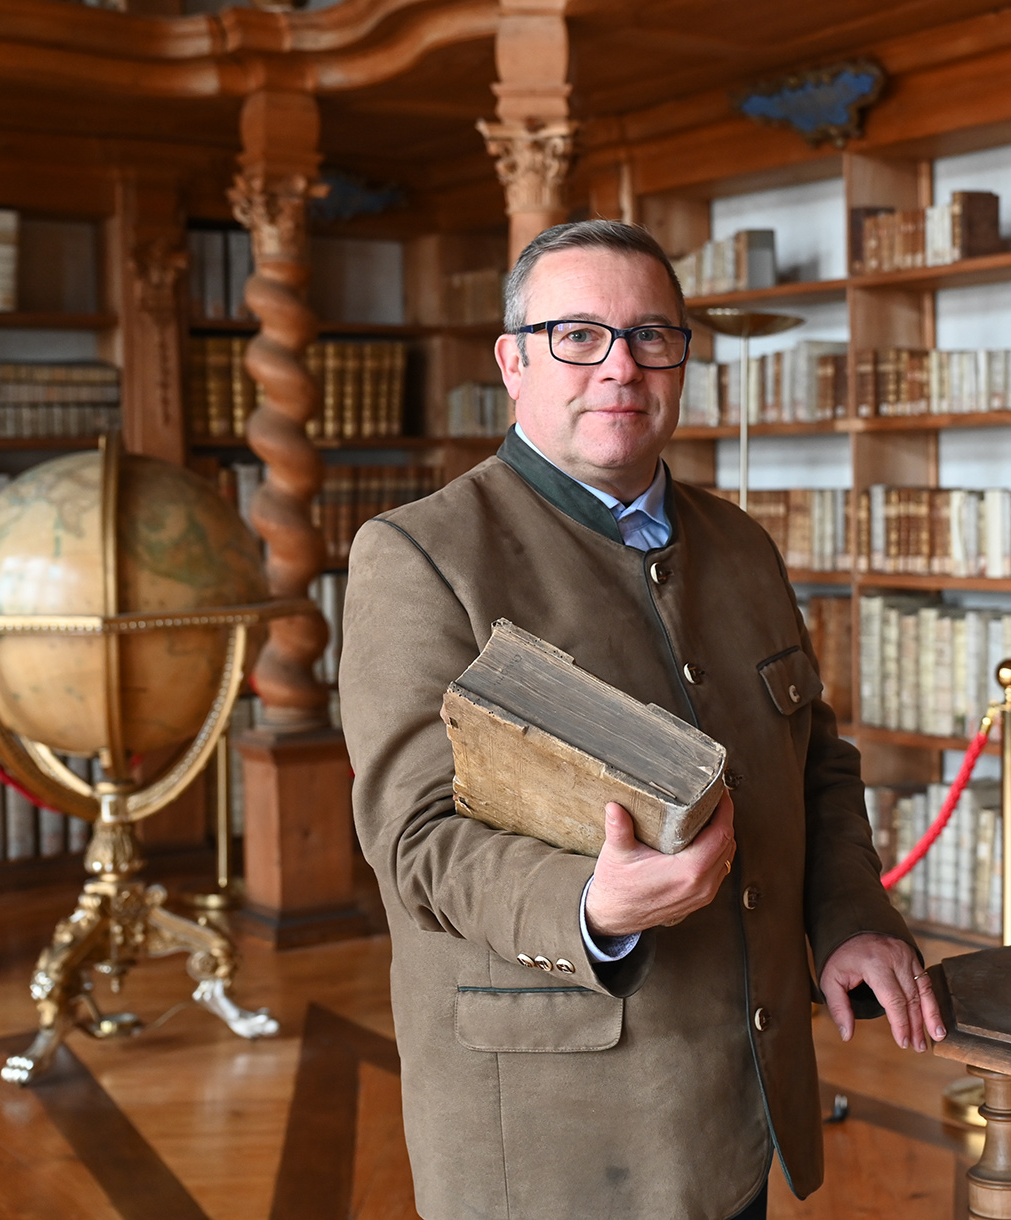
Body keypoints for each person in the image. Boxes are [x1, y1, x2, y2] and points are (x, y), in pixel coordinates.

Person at [341, 219, 944, 1220]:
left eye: (650, 336)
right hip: (551, 1129)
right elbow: (414, 841)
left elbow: (815, 763)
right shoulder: (420, 554)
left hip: (734, 1102)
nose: (619, 366)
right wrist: (590, 904)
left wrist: (849, 917)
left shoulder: (742, 544)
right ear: (514, 361)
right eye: (578, 335)